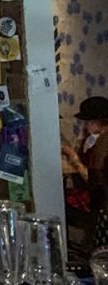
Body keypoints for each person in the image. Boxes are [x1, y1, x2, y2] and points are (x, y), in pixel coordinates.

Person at [62, 96, 108, 251]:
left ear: (99, 122)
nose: (86, 125)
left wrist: (74, 160)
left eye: (88, 122)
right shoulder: (92, 140)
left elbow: (95, 178)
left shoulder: (103, 143)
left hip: (99, 199)